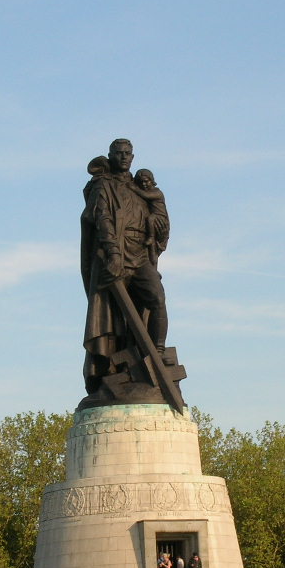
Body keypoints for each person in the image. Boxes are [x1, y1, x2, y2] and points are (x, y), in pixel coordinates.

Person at [80, 139, 172, 399]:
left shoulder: (140, 187)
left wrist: (156, 222)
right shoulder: (103, 185)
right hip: (115, 255)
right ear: (111, 156)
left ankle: (158, 352)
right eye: (118, 153)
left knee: (156, 297)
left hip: (140, 253)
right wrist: (113, 252)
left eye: (127, 154)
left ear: (133, 157)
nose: (123, 157)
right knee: (112, 316)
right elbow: (102, 218)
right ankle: (111, 370)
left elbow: (161, 218)